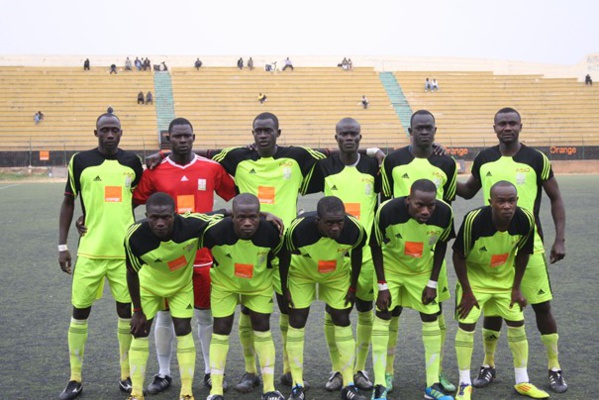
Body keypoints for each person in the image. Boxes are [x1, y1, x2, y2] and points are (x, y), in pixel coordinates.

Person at [456, 107, 567, 394]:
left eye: (512, 123)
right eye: (502, 123)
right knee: (493, 306)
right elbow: (468, 191)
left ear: (520, 125)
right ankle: (489, 364)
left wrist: (560, 239)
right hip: (496, 246)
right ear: (494, 127)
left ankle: (554, 368)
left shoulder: (536, 158)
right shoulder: (484, 158)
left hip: (530, 244)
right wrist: (442, 171)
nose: (507, 127)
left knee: (542, 306)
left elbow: (555, 197)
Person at [132, 117, 236, 395]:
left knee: (204, 315)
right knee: (165, 317)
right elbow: (134, 201)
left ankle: (207, 372)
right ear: (169, 138)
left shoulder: (211, 168)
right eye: (176, 137)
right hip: (167, 259)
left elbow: (235, 196)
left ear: (193, 136)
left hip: (202, 255)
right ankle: (164, 372)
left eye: (186, 136)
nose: (182, 140)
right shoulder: (155, 170)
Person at [57, 112, 143, 400]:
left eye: (114, 130)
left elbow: (138, 199)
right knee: (80, 312)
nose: (109, 134)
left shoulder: (133, 163)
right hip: (90, 252)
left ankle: (126, 375)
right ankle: (75, 378)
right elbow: (69, 201)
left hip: (123, 255)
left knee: (126, 313)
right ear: (95, 133)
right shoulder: (79, 161)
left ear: (121, 133)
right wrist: (62, 245)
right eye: (104, 130)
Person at [380, 110, 458, 394]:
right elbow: (385, 199)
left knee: (435, 313)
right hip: (397, 248)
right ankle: (386, 373)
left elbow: (446, 203)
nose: (424, 132)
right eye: (419, 128)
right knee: (392, 311)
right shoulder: (393, 161)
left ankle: (436, 373)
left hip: (430, 246)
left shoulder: (446, 163)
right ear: (410, 130)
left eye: (429, 128)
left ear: (435, 130)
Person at [452, 181, 550, 400]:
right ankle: (464, 384)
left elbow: (524, 253)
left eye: (511, 201)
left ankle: (522, 381)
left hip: (504, 281)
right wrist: (467, 291)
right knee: (466, 325)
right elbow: (458, 255)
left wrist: (516, 288)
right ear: (491, 202)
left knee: (517, 324)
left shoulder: (524, 219)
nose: (507, 206)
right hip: (475, 281)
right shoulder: (474, 220)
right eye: (501, 201)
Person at [302, 117, 380, 392]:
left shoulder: (373, 166)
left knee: (365, 310)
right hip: (335, 253)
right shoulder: (324, 167)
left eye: (353, 134)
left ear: (360, 137)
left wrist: (375, 152)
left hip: (367, 253)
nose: (349, 138)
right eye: (343, 134)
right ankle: (338, 368)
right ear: (335, 137)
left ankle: (359, 367)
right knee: (334, 312)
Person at [124, 192, 224, 400]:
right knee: (140, 332)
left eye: (166, 217)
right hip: (149, 287)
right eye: (154, 217)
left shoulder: (190, 225)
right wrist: (137, 310)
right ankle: (135, 393)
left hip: (181, 286)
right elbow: (132, 273)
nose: (160, 222)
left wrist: (265, 214)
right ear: (146, 215)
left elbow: (222, 214)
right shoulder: (134, 235)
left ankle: (186, 392)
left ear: (175, 215)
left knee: (183, 329)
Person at [370, 179, 455, 400]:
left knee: (431, 318)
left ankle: (432, 384)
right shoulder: (387, 211)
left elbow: (442, 245)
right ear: (409, 200)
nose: (426, 211)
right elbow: (375, 245)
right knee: (384, 315)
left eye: (431, 205)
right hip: (391, 268)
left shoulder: (445, 213)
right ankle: (380, 384)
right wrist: (382, 285)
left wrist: (432, 282)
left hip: (422, 271)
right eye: (420, 205)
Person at [279, 196, 368, 400]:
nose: (336, 228)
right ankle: (297, 385)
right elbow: (284, 256)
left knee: (342, 318)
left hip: (336, 274)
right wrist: (284, 288)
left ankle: (348, 384)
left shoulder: (355, 229)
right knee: (297, 319)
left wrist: (353, 286)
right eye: (329, 223)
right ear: (317, 221)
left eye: (339, 222)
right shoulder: (298, 230)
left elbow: (357, 255)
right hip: (303, 273)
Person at [203, 193, 286, 400]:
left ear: (259, 216)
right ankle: (216, 391)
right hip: (225, 285)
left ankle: (269, 388)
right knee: (221, 329)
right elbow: (191, 220)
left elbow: (279, 258)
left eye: (253, 217)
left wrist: (284, 290)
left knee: (262, 327)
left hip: (258, 286)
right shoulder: (214, 231)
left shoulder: (271, 232)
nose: (247, 223)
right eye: (241, 217)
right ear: (232, 217)